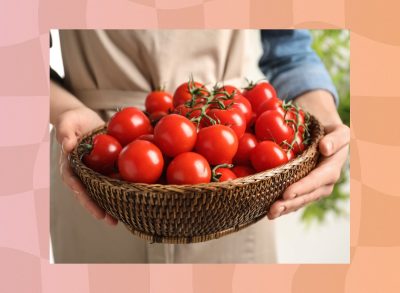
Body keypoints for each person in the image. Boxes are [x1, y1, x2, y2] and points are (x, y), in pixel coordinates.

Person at [50, 29, 349, 263]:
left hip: (235, 185)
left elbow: (291, 52)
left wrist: (324, 123)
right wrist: (63, 109)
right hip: (100, 152)